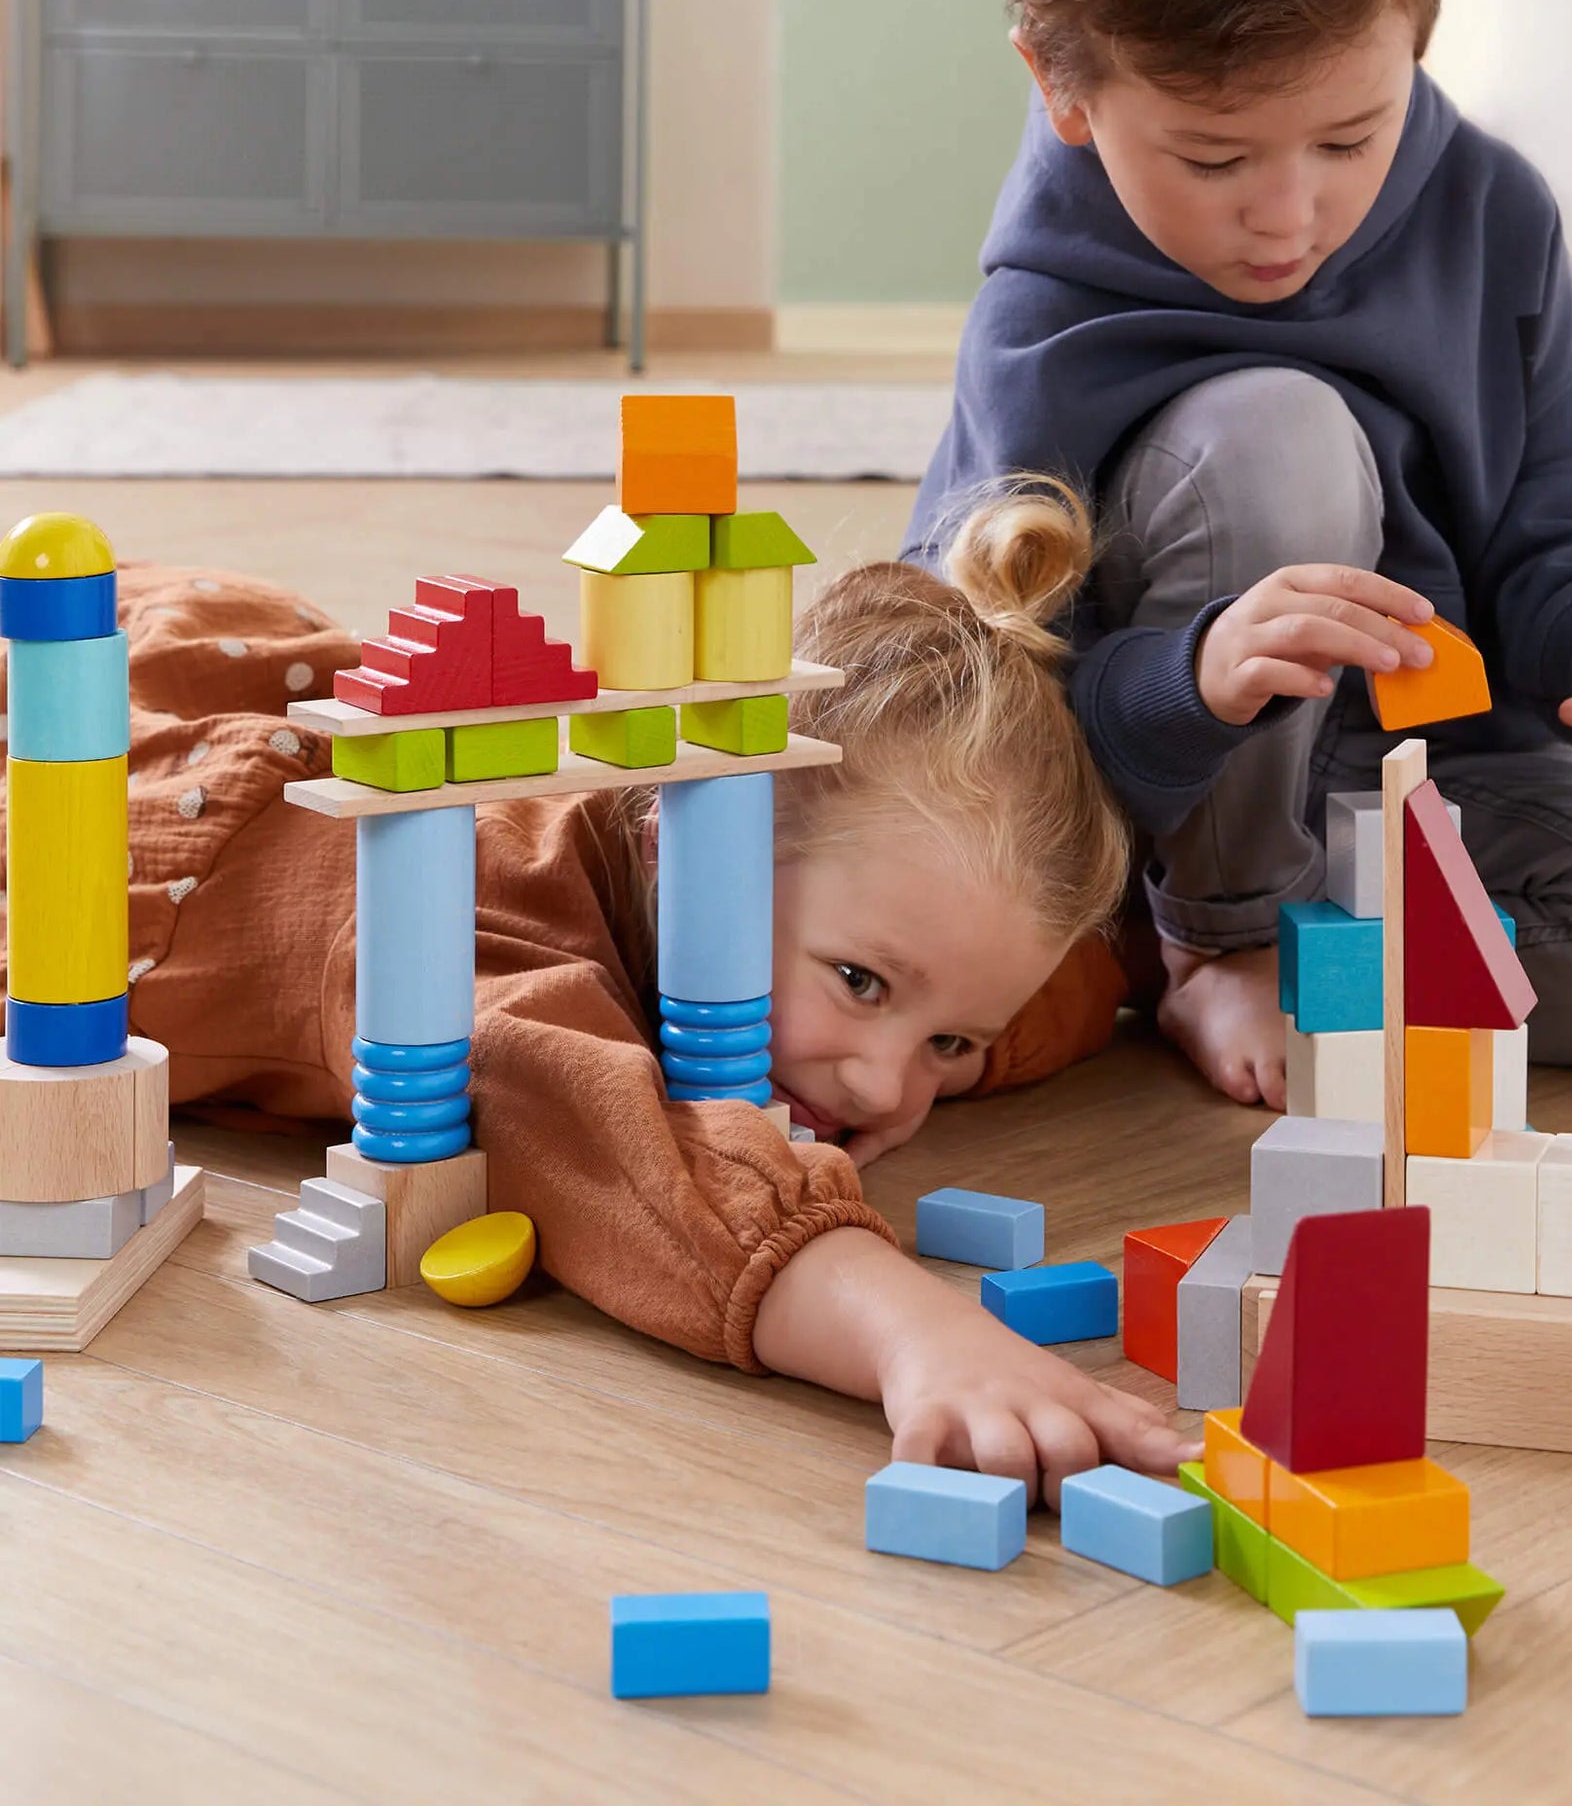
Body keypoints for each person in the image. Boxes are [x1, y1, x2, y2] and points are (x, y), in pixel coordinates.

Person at [0, 487, 1190, 1501]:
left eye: (948, 1043)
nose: (888, 1081)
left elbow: (1056, 990)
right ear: (694, 847)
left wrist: (1190, 969)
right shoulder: (477, 916)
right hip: (122, 757)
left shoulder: (915, 924)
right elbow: (591, 1128)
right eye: (860, 982)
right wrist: (908, 1326)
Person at [906, 0, 1572, 1112]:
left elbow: (1553, 496)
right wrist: (1197, 678)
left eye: (1346, 138)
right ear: (1060, 86)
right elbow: (1004, 689)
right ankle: (1214, 934)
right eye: (1212, 158)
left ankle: (1236, 950)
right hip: (1123, 783)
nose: (1286, 213)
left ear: (1415, 47)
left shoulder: (1492, 213)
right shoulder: (1043, 318)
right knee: (1275, 432)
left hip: (1392, 783)